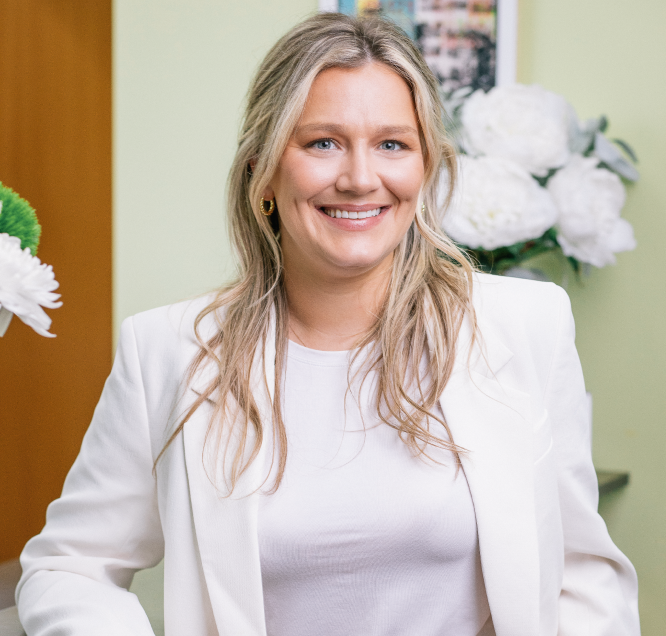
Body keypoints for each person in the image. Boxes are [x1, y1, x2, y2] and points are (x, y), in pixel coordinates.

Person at [16, 13, 639, 636]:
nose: (360, 179)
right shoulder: (167, 353)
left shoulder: (526, 324)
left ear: (425, 168)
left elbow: (582, 577)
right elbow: (68, 566)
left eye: (392, 144)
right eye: (322, 143)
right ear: (265, 170)